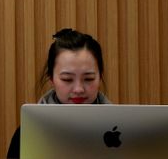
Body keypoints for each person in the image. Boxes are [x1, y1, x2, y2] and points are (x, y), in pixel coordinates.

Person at [6, 28, 110, 158]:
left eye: (88, 79)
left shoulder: (124, 130)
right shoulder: (28, 134)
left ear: (100, 77)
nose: (78, 89)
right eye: (67, 79)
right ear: (52, 79)